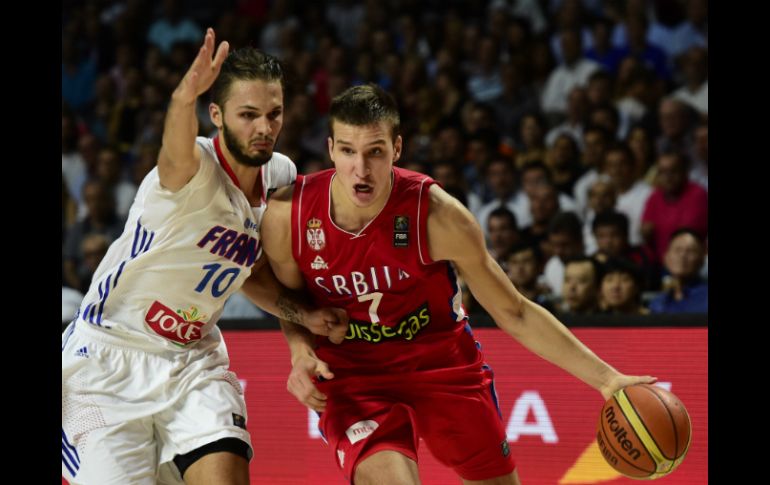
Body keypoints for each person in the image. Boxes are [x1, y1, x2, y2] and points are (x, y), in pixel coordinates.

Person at [260, 84, 654, 485]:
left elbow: (514, 311)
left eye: (374, 151)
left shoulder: (438, 216)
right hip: (354, 373)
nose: (360, 169)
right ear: (330, 149)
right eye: (347, 151)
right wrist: (299, 350)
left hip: (442, 363)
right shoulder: (288, 215)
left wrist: (607, 380)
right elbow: (288, 300)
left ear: (397, 148)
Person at [62, 30, 346, 485]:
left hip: (191, 358)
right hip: (108, 360)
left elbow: (250, 271)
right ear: (215, 115)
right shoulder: (188, 170)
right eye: (248, 115)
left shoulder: (281, 176)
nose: (264, 128)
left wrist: (304, 325)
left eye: (273, 114)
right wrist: (182, 97)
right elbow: (174, 145)